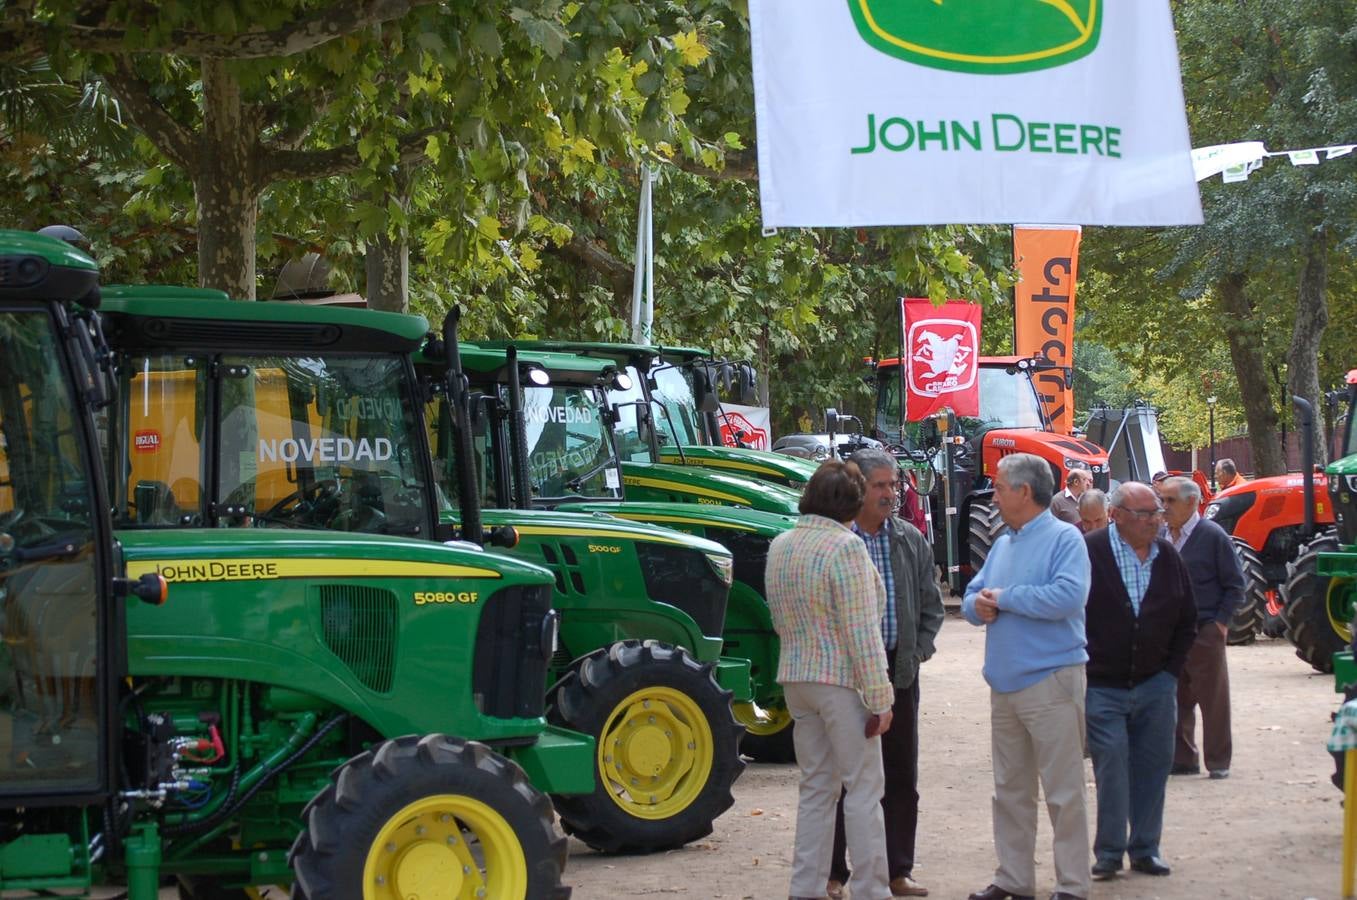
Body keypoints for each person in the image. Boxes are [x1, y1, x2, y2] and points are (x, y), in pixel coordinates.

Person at [962, 453, 1091, 900]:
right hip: (1005, 685)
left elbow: (1068, 597)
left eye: (999, 487)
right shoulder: (1002, 544)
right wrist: (976, 606)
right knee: (1009, 791)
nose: (993, 494)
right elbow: (974, 594)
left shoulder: (1065, 539)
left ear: (1023, 491)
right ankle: (1013, 879)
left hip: (1052, 680)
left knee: (1063, 791)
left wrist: (1005, 598)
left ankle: (1073, 885)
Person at [766, 460, 895, 900]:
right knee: (862, 788)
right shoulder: (846, 548)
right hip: (840, 679)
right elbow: (861, 631)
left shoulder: (781, 544)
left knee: (817, 788)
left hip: (797, 677)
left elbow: (777, 616)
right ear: (852, 503)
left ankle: (805, 888)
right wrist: (881, 698)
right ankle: (872, 890)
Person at [825, 450, 945, 899]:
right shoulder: (836, 541)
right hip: (846, 675)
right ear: (857, 487)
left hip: (898, 675)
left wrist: (916, 655)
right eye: (880, 486)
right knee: (842, 776)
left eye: (893, 485)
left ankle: (898, 872)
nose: (891, 494)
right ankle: (835, 873)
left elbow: (931, 606)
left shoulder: (910, 540)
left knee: (900, 778)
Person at [1084, 482, 1197, 883]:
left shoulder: (1168, 557)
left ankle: (1146, 848)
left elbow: (1188, 619)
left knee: (1153, 768)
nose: (1155, 521)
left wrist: (1169, 673)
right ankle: (1110, 853)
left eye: (1157, 513)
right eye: (1145, 514)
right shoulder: (1090, 551)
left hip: (1155, 685)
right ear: (1115, 515)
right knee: (1111, 767)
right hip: (1102, 686)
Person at [1159, 475, 1243, 780]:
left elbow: (1235, 585)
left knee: (1213, 699)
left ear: (1192, 502)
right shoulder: (1162, 535)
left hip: (1205, 628)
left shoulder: (1212, 536)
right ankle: (1183, 759)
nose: (1163, 507)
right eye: (1162, 500)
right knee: (1174, 697)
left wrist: (1220, 622)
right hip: (1170, 633)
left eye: (1170, 501)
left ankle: (1218, 761)